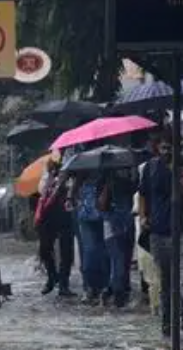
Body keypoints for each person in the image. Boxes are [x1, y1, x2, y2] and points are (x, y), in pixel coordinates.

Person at [138, 134, 176, 336]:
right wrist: (143, 217)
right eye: (163, 148)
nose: (167, 152)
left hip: (179, 231)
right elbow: (143, 194)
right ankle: (167, 325)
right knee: (166, 281)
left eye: (170, 148)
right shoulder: (150, 168)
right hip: (159, 232)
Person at [35, 156, 76, 296]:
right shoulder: (48, 175)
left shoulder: (72, 172)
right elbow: (41, 191)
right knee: (44, 249)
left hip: (65, 216)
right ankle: (52, 277)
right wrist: (51, 177)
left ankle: (64, 284)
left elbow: (72, 192)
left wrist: (65, 183)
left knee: (66, 251)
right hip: (47, 216)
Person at [99, 165, 137, 307]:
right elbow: (102, 205)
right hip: (114, 227)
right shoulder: (106, 182)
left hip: (125, 226)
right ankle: (117, 295)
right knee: (119, 262)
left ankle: (113, 291)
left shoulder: (130, 183)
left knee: (122, 262)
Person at [72, 168, 108, 304]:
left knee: (100, 252)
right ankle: (91, 287)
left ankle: (100, 287)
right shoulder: (81, 166)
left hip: (103, 214)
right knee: (91, 251)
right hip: (87, 215)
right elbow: (74, 188)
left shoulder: (106, 167)